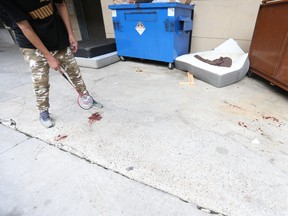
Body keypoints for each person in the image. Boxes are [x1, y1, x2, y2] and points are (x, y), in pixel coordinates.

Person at [0, 0, 103, 128]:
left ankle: (85, 97)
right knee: (40, 80)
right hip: (31, 44)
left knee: (73, 70)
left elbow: (61, 5)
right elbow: (25, 26)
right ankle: (43, 111)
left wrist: (70, 34)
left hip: (56, 34)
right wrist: (49, 57)